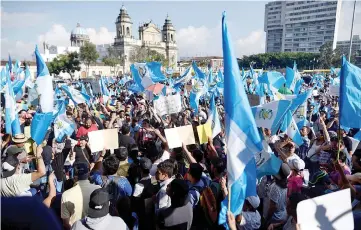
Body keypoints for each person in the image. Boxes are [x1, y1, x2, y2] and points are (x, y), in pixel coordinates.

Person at [61, 163, 101, 229]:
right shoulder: (98, 189)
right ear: (88, 174)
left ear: (74, 177)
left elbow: (66, 223)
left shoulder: (66, 195)